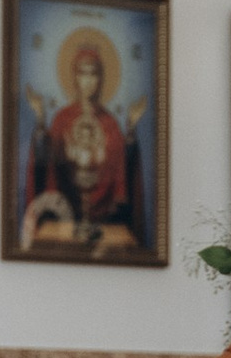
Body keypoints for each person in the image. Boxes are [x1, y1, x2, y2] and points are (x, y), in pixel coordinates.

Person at [22, 31, 144, 252]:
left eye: (94, 75)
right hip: (64, 220)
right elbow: (46, 160)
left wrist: (131, 133)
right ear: (74, 77)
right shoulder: (61, 119)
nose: (88, 82)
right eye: (82, 74)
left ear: (101, 78)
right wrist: (41, 122)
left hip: (105, 223)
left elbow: (122, 167)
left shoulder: (110, 123)